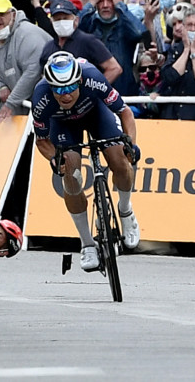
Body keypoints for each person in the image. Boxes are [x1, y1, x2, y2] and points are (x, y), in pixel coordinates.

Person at [31, 51, 141, 271]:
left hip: (95, 113)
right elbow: (42, 140)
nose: (65, 95)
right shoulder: (41, 98)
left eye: (71, 87)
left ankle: (126, 210)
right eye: (59, 90)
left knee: (119, 160)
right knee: (70, 177)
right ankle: (87, 243)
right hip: (62, 125)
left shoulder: (93, 78)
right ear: (50, 87)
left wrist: (131, 143)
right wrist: (55, 158)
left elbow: (125, 112)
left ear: (79, 80)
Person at [0, 0, 51, 123]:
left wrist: (10, 103)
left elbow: (32, 73)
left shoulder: (29, 34)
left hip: (46, 107)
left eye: (2, 14)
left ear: (12, 14)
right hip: (17, 113)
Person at [78, 0, 147, 96]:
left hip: (123, 93)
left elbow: (139, 32)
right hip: (92, 94)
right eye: (101, 1)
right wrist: (91, 2)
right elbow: (74, 29)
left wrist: (120, 5)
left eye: (110, 0)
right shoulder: (90, 24)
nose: (105, 5)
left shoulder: (125, 24)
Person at [40, 0, 122, 81]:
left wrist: (97, 89)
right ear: (51, 21)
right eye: (57, 19)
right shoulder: (49, 47)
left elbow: (114, 68)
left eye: (66, 18)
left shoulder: (88, 41)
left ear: (76, 20)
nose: (62, 22)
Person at [159, 7, 195, 120]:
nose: (192, 29)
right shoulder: (175, 49)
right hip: (172, 117)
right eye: (189, 25)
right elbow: (169, 77)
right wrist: (187, 49)